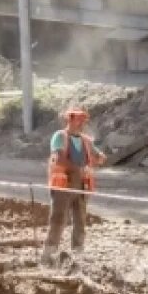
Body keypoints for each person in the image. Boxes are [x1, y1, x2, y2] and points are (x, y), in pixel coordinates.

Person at [42, 107, 105, 266]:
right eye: (78, 119)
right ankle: (49, 253)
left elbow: (99, 157)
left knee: (80, 220)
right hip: (64, 184)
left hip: (81, 185)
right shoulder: (60, 137)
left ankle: (78, 253)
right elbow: (60, 159)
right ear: (69, 120)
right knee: (58, 219)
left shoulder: (86, 140)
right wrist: (78, 168)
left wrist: (98, 158)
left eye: (83, 120)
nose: (82, 123)